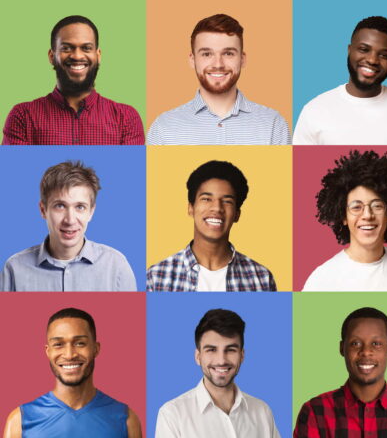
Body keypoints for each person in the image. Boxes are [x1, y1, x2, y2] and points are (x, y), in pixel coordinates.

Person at [294, 307, 387, 437]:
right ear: (342, 348)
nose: (366, 352)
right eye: (355, 343)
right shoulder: (315, 411)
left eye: (376, 344)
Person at [293, 16, 387, 145]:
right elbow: (303, 172)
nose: (372, 60)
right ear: (349, 50)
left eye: (384, 55)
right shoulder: (314, 111)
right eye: (363, 49)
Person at [147, 14, 289, 145]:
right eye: (207, 54)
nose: (218, 64)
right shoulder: (163, 127)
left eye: (228, 53)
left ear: (242, 59)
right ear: (192, 60)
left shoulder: (273, 124)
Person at [2, 15, 144, 145]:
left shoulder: (126, 118)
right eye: (67, 48)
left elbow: (131, 172)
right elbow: (13, 172)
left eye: (86, 48)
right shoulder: (22, 116)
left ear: (98, 55)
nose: (77, 56)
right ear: (52, 56)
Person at [2, 308, 142, 438]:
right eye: (58, 344)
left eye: (80, 343)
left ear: (96, 348)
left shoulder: (127, 419)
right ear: (48, 351)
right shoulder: (19, 420)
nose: (69, 355)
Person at [303, 150, 387, 291]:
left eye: (377, 206)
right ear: (344, 217)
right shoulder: (321, 280)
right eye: (356, 207)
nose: (367, 215)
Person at [1, 161, 135, 291]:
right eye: (60, 206)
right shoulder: (14, 268)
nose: (70, 220)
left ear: (91, 212)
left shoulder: (116, 266)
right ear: (43, 210)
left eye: (80, 207)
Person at [147, 160, 276, 291]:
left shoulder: (262, 278)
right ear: (191, 208)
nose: (217, 208)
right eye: (207, 199)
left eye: (227, 201)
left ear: (237, 214)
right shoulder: (157, 277)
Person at [155, 309, 280, 437]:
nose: (221, 361)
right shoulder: (172, 415)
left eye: (230, 350)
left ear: (242, 356)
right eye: (211, 350)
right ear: (198, 356)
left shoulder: (262, 412)